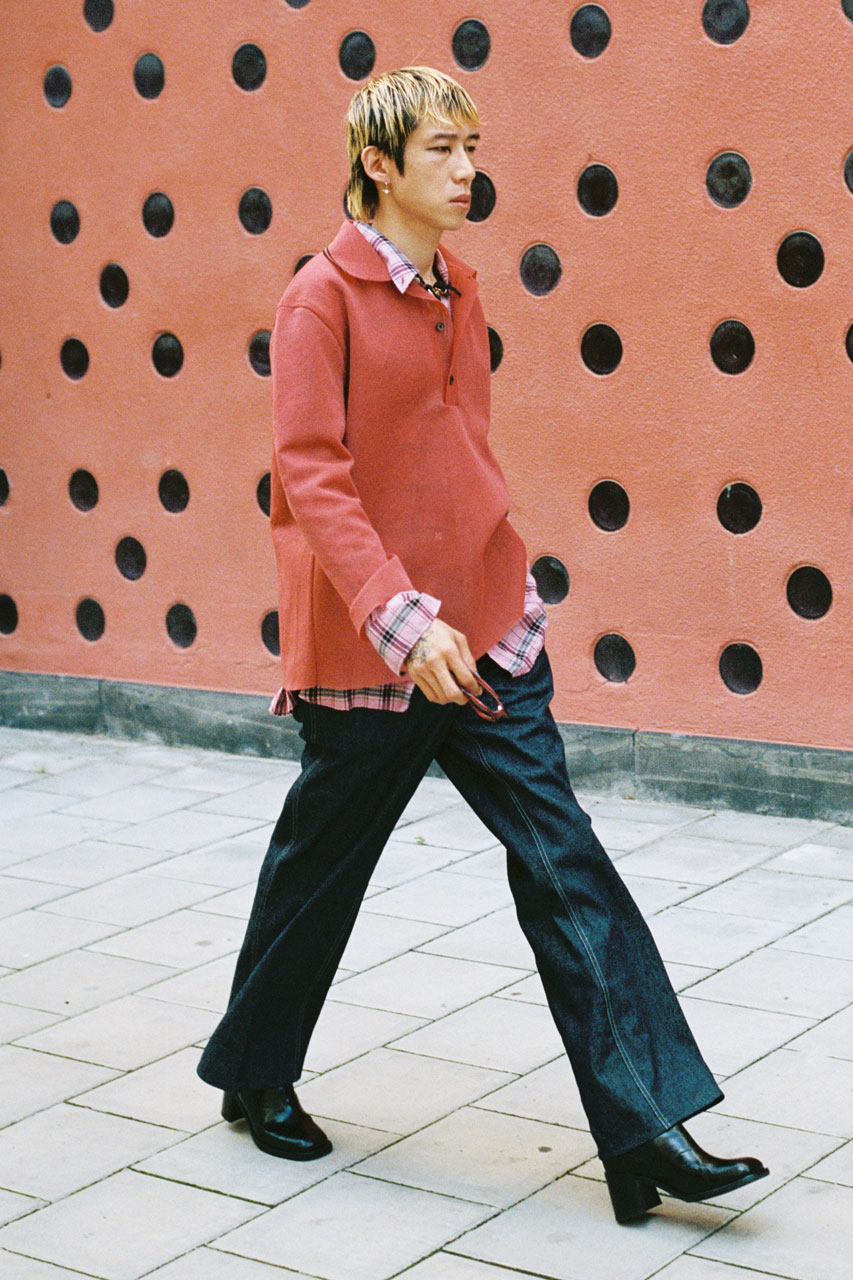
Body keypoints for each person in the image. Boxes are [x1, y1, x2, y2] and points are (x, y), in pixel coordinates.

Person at [197, 65, 769, 1225]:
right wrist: (403, 621)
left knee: (564, 858)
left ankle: (643, 1128)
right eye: (443, 149)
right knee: (320, 871)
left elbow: (452, 455)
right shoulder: (321, 297)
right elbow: (312, 475)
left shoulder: (463, 285)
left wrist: (493, 587)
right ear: (379, 163)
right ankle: (255, 1069)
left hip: (488, 634)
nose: (468, 169)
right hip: (378, 650)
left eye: (472, 145)